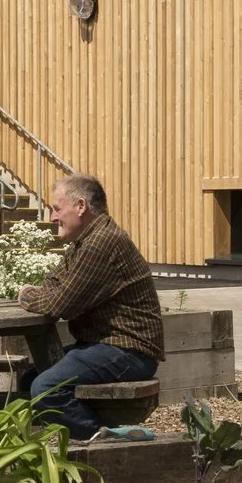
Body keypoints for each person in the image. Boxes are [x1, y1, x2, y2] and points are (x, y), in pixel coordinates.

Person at [16, 173, 164, 441]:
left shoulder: (101, 243)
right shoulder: (85, 241)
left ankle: (102, 440)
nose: (52, 217)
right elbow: (52, 282)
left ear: (81, 206)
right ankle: (50, 444)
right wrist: (44, 293)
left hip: (128, 351)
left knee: (46, 387)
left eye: (56, 208)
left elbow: (60, 304)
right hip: (105, 345)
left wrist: (26, 296)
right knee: (29, 380)